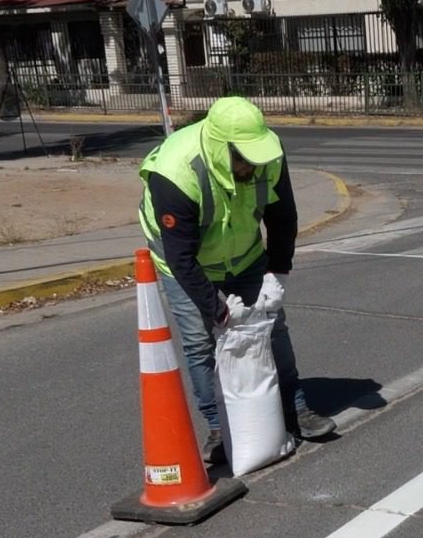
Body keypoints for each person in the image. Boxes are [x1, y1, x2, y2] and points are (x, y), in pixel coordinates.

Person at [138, 96, 336, 466]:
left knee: (272, 326)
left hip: (244, 254)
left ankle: (296, 408)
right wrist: (217, 309)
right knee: (200, 343)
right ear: (220, 147)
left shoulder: (269, 155)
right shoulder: (176, 173)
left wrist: (277, 271)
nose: (252, 167)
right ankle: (217, 425)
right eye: (243, 159)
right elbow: (180, 257)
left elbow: (282, 217)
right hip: (184, 262)